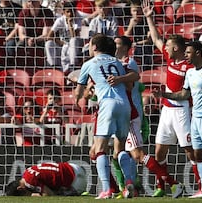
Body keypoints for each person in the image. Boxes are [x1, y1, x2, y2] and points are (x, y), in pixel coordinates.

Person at [111, 35, 184, 198]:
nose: (114, 46)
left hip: (130, 114)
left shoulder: (129, 63)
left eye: (117, 44)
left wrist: (117, 78)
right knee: (119, 153)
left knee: (137, 155)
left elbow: (131, 83)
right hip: (120, 114)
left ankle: (174, 184)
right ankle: (128, 187)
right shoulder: (116, 63)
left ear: (125, 47)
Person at [142, 0, 199, 197]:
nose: (164, 48)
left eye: (168, 46)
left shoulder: (189, 66)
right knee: (159, 153)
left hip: (182, 110)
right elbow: (157, 39)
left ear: (176, 48)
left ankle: (201, 186)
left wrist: (163, 94)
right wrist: (149, 17)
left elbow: (186, 94)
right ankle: (162, 186)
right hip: (167, 110)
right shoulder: (170, 59)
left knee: (189, 151)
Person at [153, 41, 202, 198]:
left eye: (188, 53)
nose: (185, 55)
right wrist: (163, 95)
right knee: (199, 154)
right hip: (195, 117)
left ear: (197, 53)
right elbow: (184, 94)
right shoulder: (190, 73)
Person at [74, 34, 132, 199]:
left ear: (94, 47)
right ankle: (128, 184)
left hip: (107, 104)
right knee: (120, 148)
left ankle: (106, 190)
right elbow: (128, 85)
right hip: (124, 104)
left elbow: (80, 92)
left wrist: (77, 97)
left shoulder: (88, 63)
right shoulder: (117, 63)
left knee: (100, 149)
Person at [5, 162, 87, 196]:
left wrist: (33, 195)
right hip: (73, 167)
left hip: (75, 180)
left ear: (20, 189)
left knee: (58, 197)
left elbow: (48, 194)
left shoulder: (29, 182)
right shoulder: (27, 173)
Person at [45, 1, 84, 73]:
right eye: (68, 12)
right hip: (64, 45)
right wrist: (59, 42)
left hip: (76, 47)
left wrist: (69, 24)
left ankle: (73, 66)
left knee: (73, 41)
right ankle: (53, 67)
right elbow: (49, 36)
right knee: (49, 43)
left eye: (72, 11)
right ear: (64, 12)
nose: (70, 14)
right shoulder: (60, 20)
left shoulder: (80, 19)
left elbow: (73, 36)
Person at [16, 0, 54, 66]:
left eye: (33, 1)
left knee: (48, 44)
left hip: (41, 39)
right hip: (27, 40)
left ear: (39, 2)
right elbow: (21, 34)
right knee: (19, 45)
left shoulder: (47, 12)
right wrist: (28, 39)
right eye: (29, 1)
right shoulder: (23, 13)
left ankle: (48, 67)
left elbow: (46, 34)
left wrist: (35, 40)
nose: (31, 4)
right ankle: (20, 67)